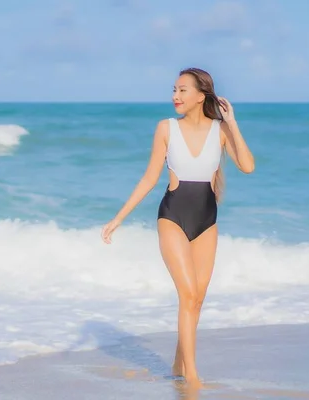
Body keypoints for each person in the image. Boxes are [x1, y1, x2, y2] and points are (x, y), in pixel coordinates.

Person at [100, 67, 255, 388]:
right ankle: (192, 376)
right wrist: (119, 217)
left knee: (197, 298)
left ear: (202, 95)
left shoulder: (220, 131)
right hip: (172, 216)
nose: (175, 96)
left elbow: (248, 167)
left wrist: (233, 124)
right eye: (174, 90)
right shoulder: (166, 128)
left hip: (206, 221)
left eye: (183, 90)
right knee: (187, 293)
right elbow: (149, 177)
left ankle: (177, 361)